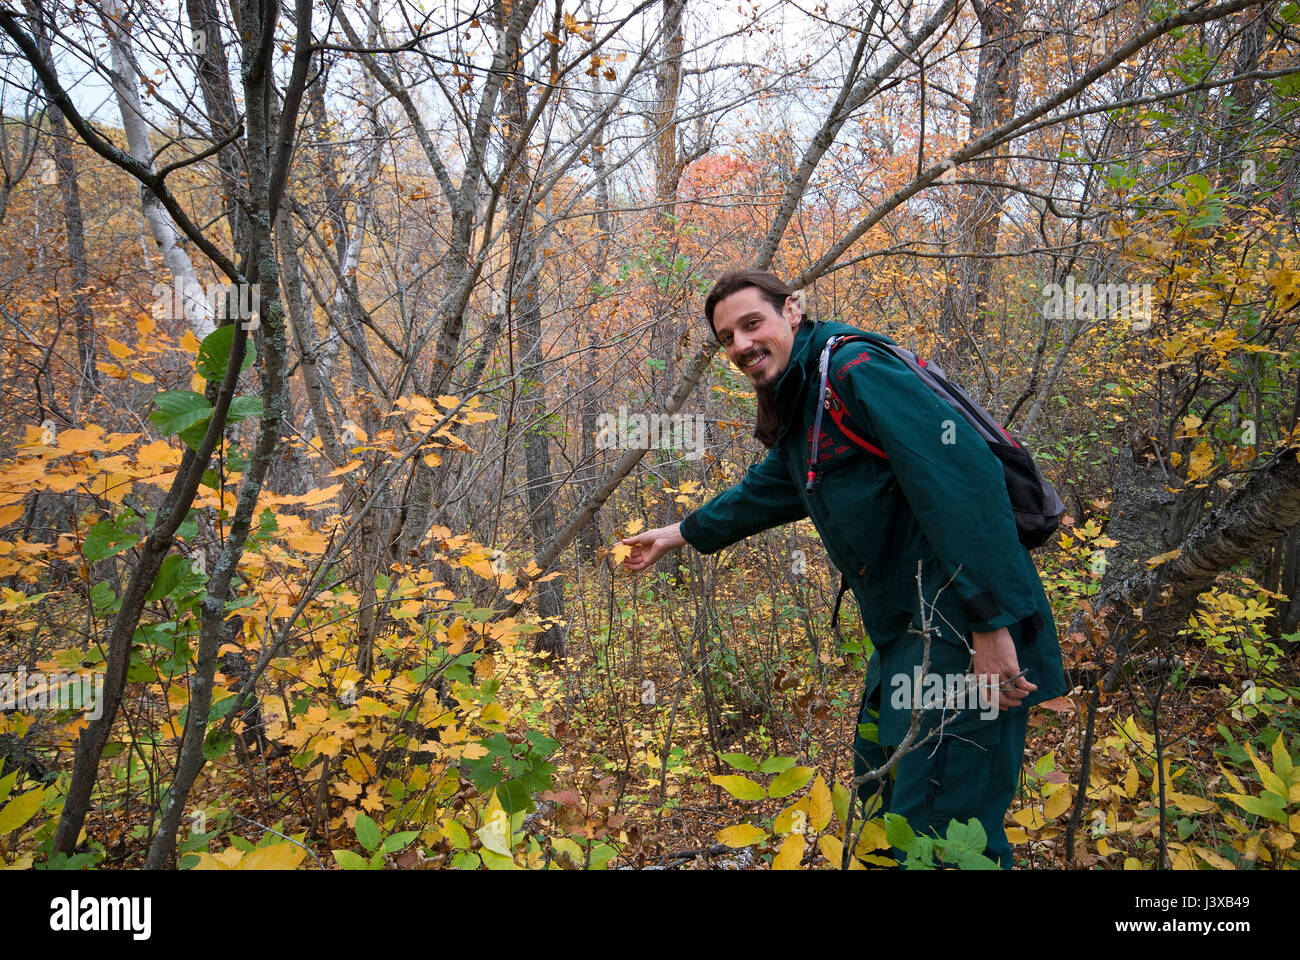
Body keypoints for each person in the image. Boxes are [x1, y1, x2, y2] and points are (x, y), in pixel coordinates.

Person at [619, 268, 1066, 868]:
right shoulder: (807, 400)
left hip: (962, 630)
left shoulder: (856, 372)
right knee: (883, 803)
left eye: (752, 323)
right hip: (905, 636)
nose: (741, 345)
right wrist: (677, 534)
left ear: (792, 311)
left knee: (942, 832)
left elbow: (964, 481)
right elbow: (769, 488)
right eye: (727, 337)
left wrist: (990, 627)